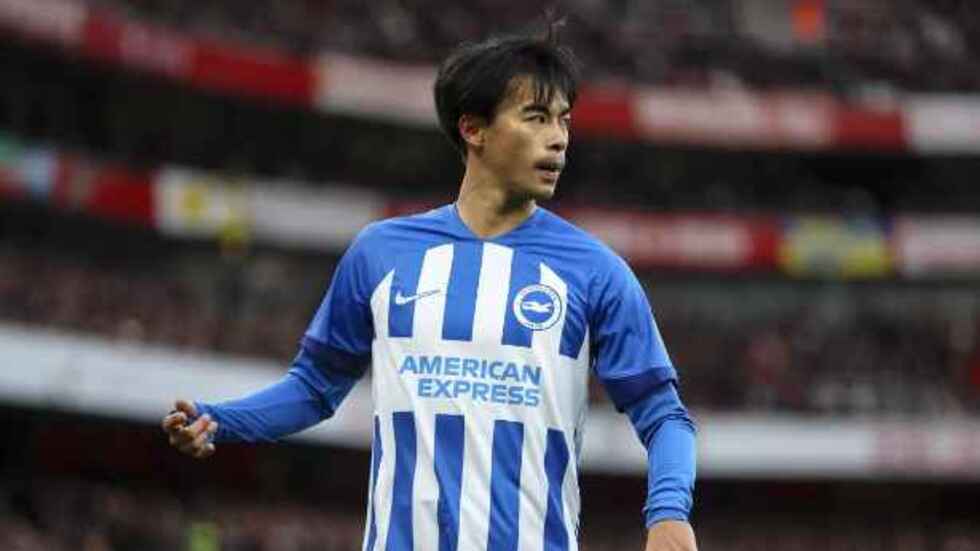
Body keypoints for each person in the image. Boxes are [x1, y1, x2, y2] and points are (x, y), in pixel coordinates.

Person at [162, 22, 698, 551]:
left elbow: (664, 415)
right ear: (474, 129)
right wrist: (218, 421)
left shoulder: (596, 272)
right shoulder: (381, 254)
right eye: (535, 118)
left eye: (563, 120)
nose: (558, 138)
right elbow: (313, 388)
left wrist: (669, 513)